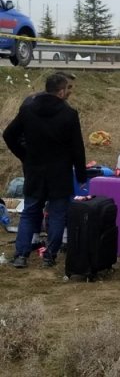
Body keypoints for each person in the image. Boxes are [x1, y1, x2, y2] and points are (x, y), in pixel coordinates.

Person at [3, 73, 87, 268]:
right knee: (58, 214)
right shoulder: (69, 114)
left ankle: (21, 255)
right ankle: (49, 256)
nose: (69, 92)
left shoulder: (27, 109)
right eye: (68, 89)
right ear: (60, 92)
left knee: (30, 212)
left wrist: (24, 155)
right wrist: (81, 174)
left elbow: (9, 135)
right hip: (60, 174)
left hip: (34, 171)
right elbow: (77, 148)